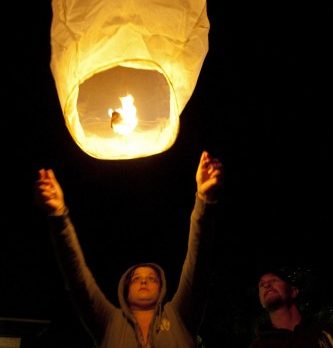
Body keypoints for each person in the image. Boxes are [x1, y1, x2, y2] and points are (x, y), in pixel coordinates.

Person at [35, 150, 223, 348]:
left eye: (152, 278)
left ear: (162, 288)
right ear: (125, 289)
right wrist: (58, 216)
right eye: (136, 279)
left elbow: (198, 263)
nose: (143, 281)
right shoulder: (108, 321)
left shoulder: (180, 316)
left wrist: (204, 201)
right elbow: (77, 278)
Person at [249, 268, 333, 348]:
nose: (266, 285)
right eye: (261, 284)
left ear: (293, 291)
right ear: (261, 302)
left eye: (274, 280)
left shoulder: (324, 332)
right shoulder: (258, 346)